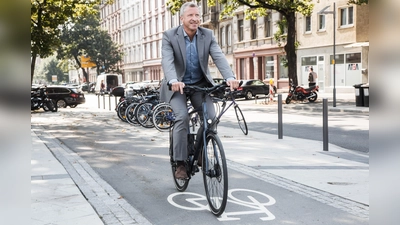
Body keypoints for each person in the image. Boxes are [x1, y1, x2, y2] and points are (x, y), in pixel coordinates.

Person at [160, 2, 240, 179]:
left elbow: (218, 56)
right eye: (190, 15)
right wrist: (173, 80)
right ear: (182, 19)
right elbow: (167, 61)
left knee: (211, 119)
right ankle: (180, 163)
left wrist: (229, 77)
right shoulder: (169, 36)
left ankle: (200, 152)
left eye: (197, 15)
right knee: (182, 117)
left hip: (199, 85)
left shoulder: (207, 35)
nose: (195, 19)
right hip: (177, 87)